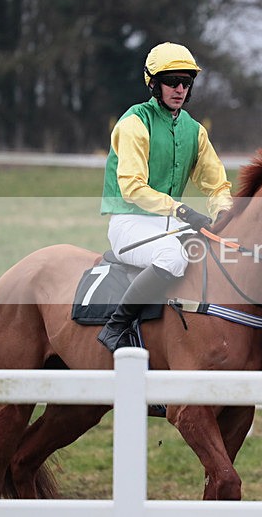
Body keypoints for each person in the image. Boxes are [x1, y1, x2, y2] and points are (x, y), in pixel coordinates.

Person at [97, 42, 232, 352]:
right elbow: (132, 187)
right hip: (129, 223)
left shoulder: (194, 131)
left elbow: (217, 185)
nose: (180, 88)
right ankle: (116, 326)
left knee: (213, 257)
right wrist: (181, 210)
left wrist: (223, 211)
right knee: (172, 257)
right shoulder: (133, 123)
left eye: (186, 82)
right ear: (154, 84)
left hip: (169, 224)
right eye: (172, 81)